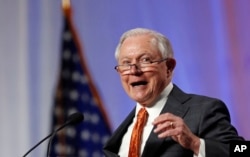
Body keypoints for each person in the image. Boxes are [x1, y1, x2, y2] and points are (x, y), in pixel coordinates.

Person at [103, 28, 244, 157]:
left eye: (145, 60)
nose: (134, 71)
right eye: (126, 63)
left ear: (169, 68)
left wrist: (195, 144)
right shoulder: (123, 131)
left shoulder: (204, 110)